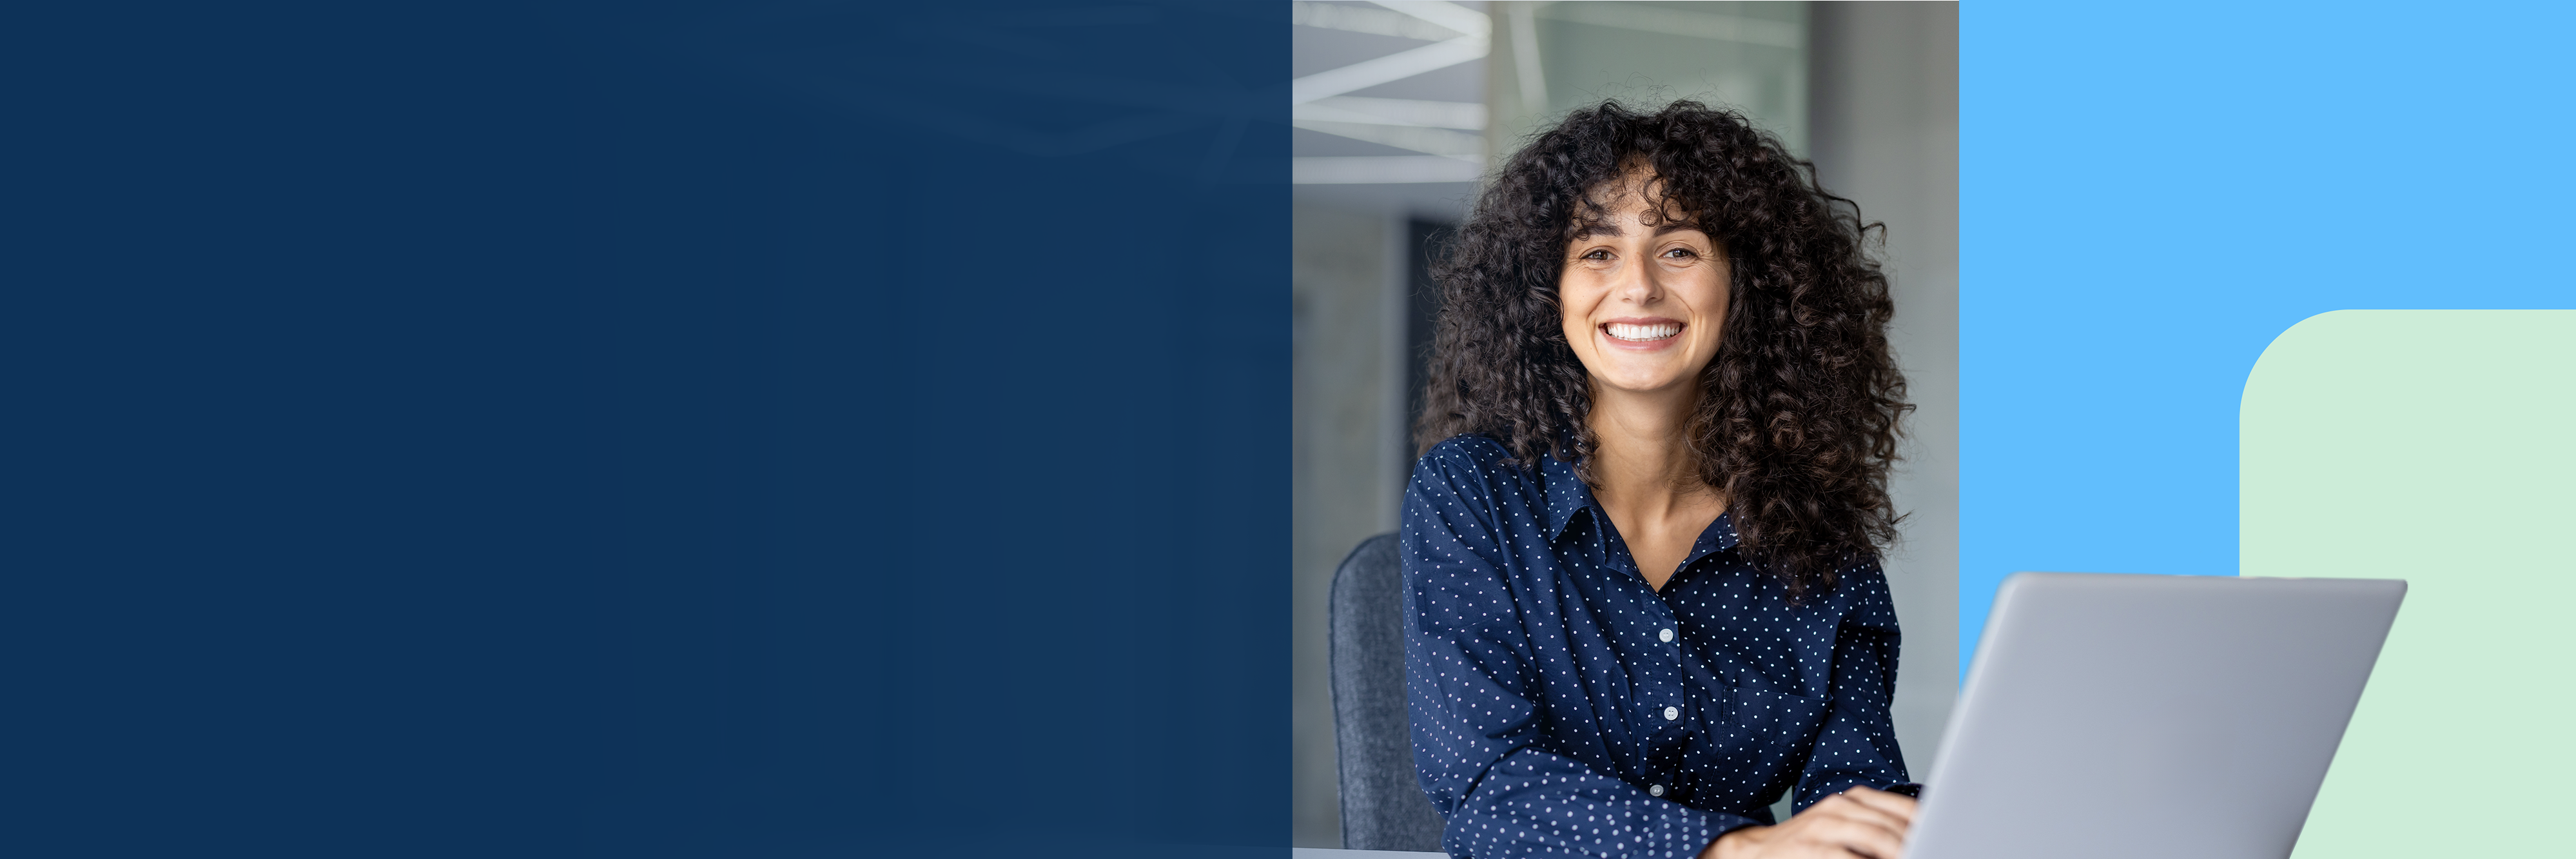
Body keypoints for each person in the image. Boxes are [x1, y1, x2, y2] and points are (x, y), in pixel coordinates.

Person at [1403, 101, 1917, 859]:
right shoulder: (1474, 496)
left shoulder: (1814, 530)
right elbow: (1487, 788)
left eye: (1678, 249)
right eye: (1597, 252)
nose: (1638, 286)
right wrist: (1728, 849)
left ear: (1747, 284)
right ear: (1549, 292)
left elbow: (1853, 791)